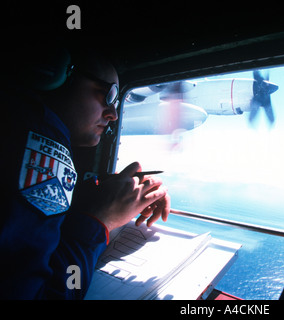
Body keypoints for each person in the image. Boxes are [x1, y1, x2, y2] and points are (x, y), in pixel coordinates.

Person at [0, 46, 171, 299]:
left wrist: (93, 195)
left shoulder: (15, 125)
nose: (113, 114)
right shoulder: (43, 134)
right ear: (55, 75)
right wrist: (99, 221)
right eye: (109, 94)